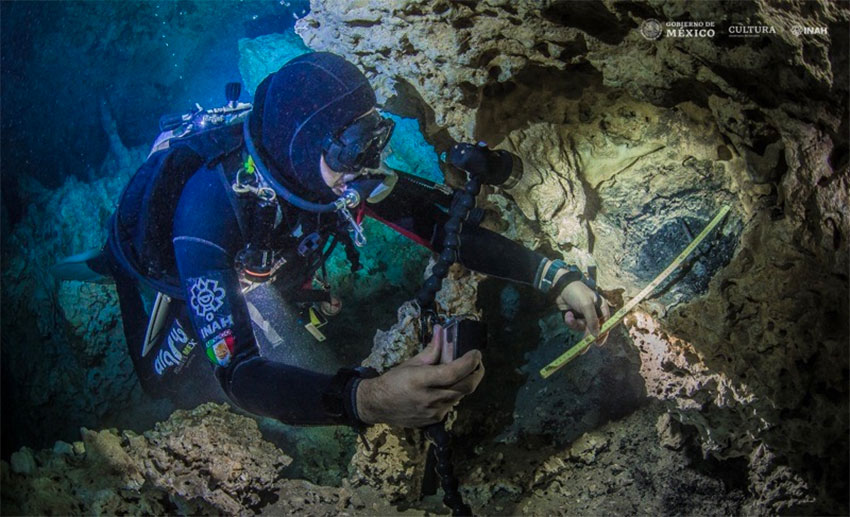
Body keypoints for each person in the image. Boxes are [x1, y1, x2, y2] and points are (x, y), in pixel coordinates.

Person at [60, 52, 608, 430]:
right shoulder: (207, 209)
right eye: (350, 148)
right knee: (162, 379)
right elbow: (239, 374)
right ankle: (95, 267)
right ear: (304, 149)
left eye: (373, 138)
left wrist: (553, 276)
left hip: (268, 256)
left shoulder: (335, 172)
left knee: (279, 281)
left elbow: (442, 230)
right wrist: (365, 400)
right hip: (168, 267)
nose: (367, 165)